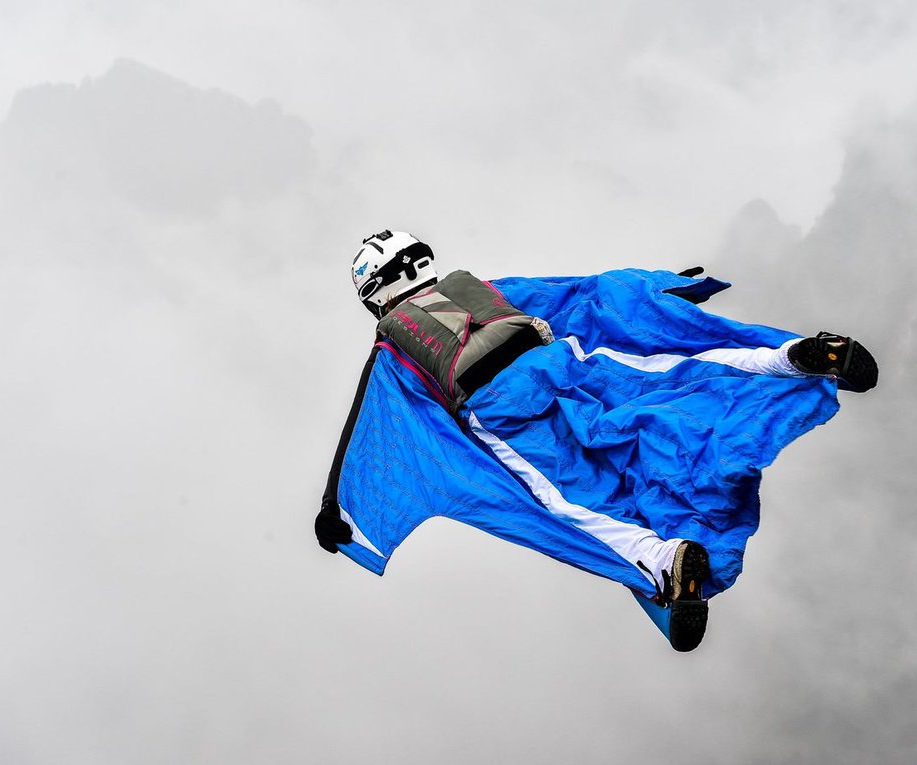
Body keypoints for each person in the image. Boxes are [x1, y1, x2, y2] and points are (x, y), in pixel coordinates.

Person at [316, 230, 877, 652]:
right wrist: (659, 290)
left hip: (499, 409)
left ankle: (661, 559)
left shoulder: (393, 347)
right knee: (668, 378)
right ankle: (787, 359)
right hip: (560, 362)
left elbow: (368, 430)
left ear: (376, 292)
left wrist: (333, 508)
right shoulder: (482, 291)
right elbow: (579, 295)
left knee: (569, 504)